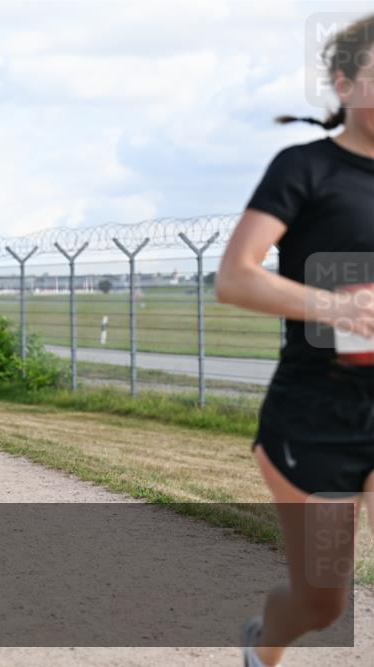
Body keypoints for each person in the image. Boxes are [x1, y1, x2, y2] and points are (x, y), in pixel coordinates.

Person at [216, 14, 374, 667]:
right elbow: (235, 276)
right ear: (344, 81)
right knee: (322, 601)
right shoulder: (306, 168)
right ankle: (264, 644)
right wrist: (335, 306)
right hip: (318, 415)